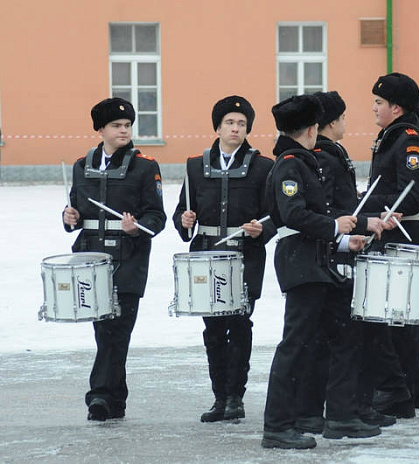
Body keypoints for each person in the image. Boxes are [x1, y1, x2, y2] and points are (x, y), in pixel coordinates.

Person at [261, 94, 381, 449]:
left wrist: (345, 243)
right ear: (312, 129)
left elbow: (308, 220)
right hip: (302, 263)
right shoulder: (289, 164)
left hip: (317, 260)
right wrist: (336, 227)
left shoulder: (300, 161)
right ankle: (278, 425)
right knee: (295, 344)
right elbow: (294, 214)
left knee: (341, 333)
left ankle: (340, 413)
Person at [293, 90, 397, 432]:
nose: (346, 124)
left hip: (334, 249)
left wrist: (369, 219)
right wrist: (364, 224)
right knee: (340, 336)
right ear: (331, 123)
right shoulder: (323, 156)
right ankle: (338, 411)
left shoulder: (329, 153)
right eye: (343, 118)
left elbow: (342, 205)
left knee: (335, 336)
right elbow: (327, 210)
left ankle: (344, 406)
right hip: (330, 254)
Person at [172, 95, 276, 423]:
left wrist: (263, 228)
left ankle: (236, 397)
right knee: (213, 330)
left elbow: (276, 213)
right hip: (205, 255)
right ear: (217, 127)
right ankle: (219, 397)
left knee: (240, 325)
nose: (235, 128)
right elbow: (180, 213)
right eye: (230, 122)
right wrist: (184, 222)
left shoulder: (263, 167)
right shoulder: (195, 165)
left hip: (245, 257)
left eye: (242, 124)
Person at [62, 97, 166, 421]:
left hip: (129, 259)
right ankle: (115, 400)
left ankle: (100, 396)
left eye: (127, 126)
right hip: (92, 260)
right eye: (117, 126)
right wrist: (69, 217)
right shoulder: (82, 165)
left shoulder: (145, 166)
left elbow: (157, 216)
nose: (124, 130)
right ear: (101, 130)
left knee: (117, 330)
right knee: (103, 331)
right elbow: (76, 213)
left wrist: (137, 228)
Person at [361, 72, 419, 417]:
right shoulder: (389, 136)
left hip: (403, 235)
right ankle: (418, 389)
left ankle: (412, 391)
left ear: (396, 107)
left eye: (379, 103)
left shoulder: (408, 141)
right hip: (389, 232)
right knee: (401, 317)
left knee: (401, 316)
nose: (374, 108)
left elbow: (414, 193)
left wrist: (372, 205)